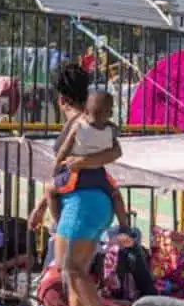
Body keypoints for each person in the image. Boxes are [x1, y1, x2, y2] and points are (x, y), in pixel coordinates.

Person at [33, 63, 124, 306]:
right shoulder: (90, 123)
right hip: (92, 201)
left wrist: (81, 162)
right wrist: (40, 206)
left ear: (61, 99)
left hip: (81, 203)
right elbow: (61, 175)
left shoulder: (79, 123)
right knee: (74, 269)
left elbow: (109, 154)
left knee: (69, 268)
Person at [45, 91, 129, 230]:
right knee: (116, 195)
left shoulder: (78, 126)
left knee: (49, 190)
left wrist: (57, 167)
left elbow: (64, 149)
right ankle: (124, 225)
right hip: (98, 174)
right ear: (110, 113)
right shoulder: (111, 130)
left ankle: (58, 223)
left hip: (76, 174)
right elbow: (116, 150)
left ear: (85, 110)